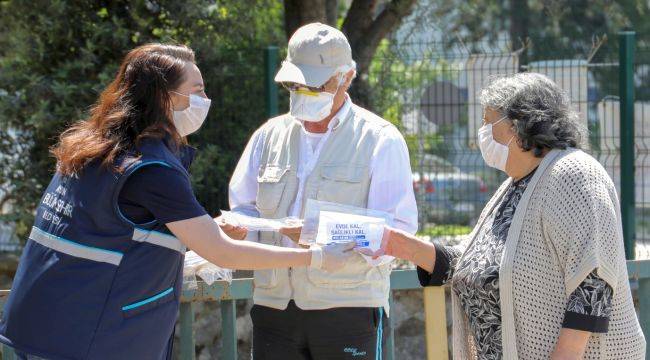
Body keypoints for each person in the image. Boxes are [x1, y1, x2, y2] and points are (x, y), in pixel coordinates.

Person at [0, 43, 355, 360]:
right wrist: (314, 256)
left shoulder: (91, 147)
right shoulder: (152, 168)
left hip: (40, 322)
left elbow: (107, 227)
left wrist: (199, 231)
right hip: (93, 334)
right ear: (167, 99)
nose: (205, 99)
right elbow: (223, 253)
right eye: (197, 90)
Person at [364, 73, 646, 359]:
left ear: (522, 123)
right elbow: (475, 265)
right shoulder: (517, 184)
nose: (482, 134)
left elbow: (593, 282)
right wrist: (398, 244)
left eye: (489, 122)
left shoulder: (573, 173)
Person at [222, 23, 417, 359]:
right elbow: (244, 209)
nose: (305, 91)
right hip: (274, 307)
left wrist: (316, 233)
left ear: (347, 76)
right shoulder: (267, 136)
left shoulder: (380, 139)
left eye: (316, 82)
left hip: (348, 309)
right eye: (297, 83)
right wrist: (239, 228)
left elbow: (398, 234)